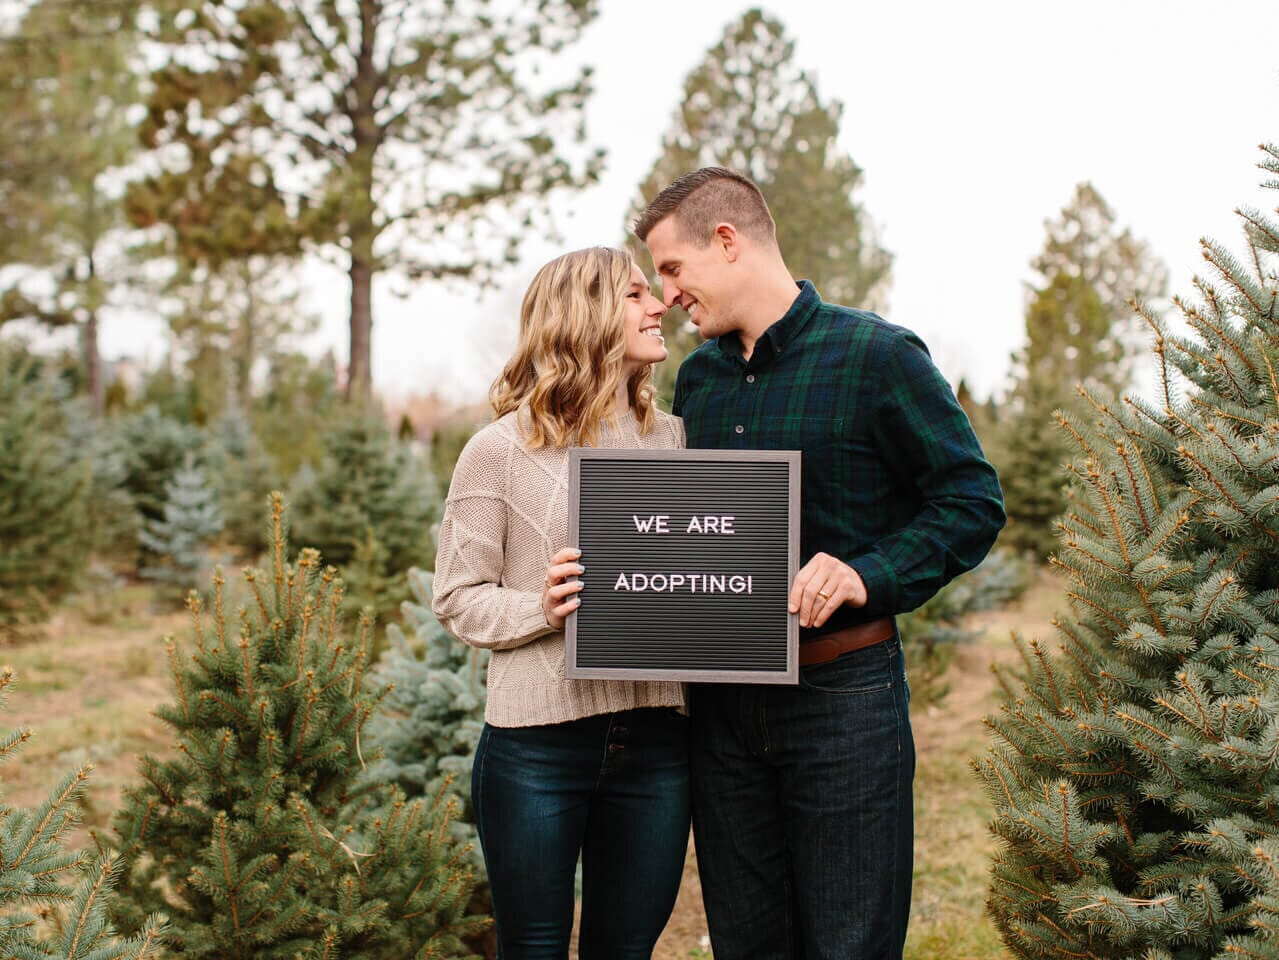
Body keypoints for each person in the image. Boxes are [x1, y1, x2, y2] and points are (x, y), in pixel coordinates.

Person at [634, 167, 1006, 959]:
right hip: (724, 713)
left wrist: (867, 572)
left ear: (727, 242)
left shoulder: (876, 356)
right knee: (746, 941)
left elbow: (970, 501)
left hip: (843, 702)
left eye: (672, 269)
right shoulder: (697, 380)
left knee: (848, 942)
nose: (665, 295)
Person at [431, 246, 690, 959]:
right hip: (534, 748)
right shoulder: (497, 450)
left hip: (655, 745)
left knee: (625, 950)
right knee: (534, 948)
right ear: (587, 314)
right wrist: (540, 608)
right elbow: (455, 599)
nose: (659, 304)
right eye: (636, 294)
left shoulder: (674, 440)